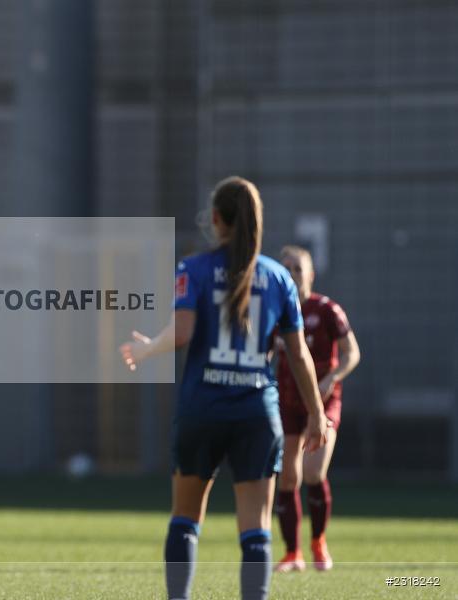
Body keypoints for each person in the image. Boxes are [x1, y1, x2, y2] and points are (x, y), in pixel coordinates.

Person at [119, 177, 327, 600]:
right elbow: (300, 354)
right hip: (257, 413)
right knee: (255, 525)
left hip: (204, 409)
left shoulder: (194, 269)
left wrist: (146, 350)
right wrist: (318, 414)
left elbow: (181, 332)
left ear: (216, 219)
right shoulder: (278, 277)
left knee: (185, 518)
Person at [273, 245, 360, 573]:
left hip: (323, 403)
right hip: (287, 401)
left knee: (313, 472)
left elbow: (352, 352)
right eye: (287, 269)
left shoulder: (326, 309)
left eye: (298, 268)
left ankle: (318, 541)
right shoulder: (276, 311)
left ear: (310, 274)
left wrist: (331, 379)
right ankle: (292, 553)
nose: (292, 274)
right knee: (287, 478)